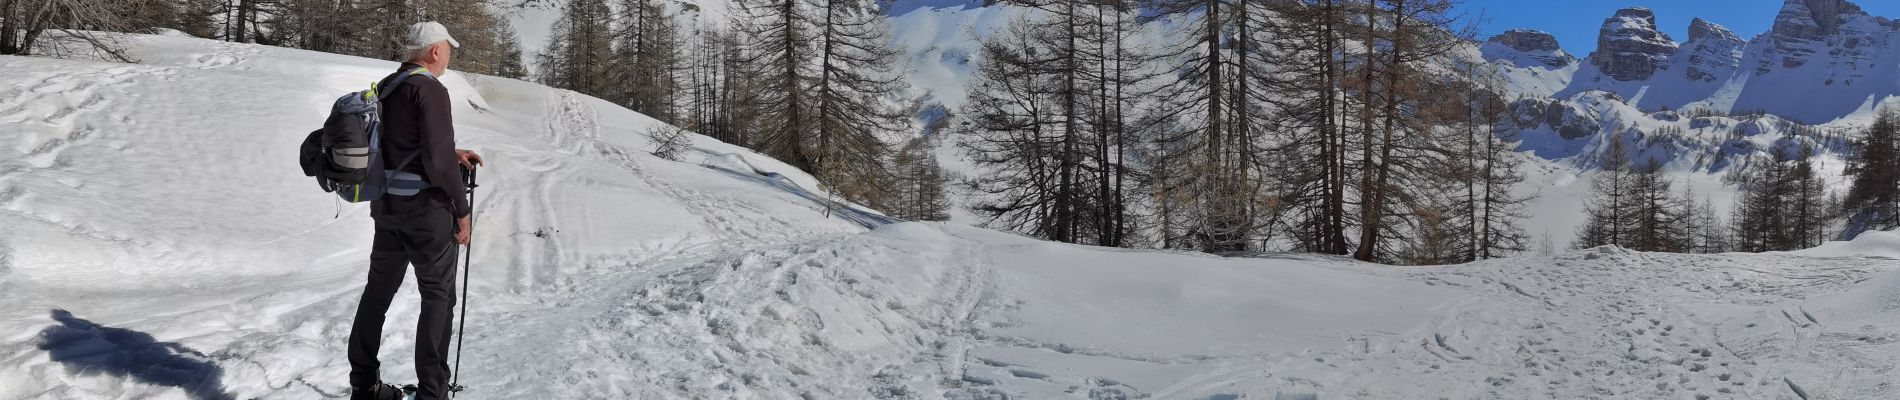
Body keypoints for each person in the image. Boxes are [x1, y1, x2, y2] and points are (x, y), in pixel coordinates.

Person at [347, 21, 484, 400]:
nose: (448, 57)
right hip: (427, 215)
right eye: (448, 50)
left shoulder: (389, 86)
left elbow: (401, 145)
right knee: (438, 297)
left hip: (388, 209)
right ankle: (432, 392)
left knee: (377, 294)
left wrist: (448, 152)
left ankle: (364, 384)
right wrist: (462, 210)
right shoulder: (430, 90)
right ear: (435, 51)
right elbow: (439, 166)